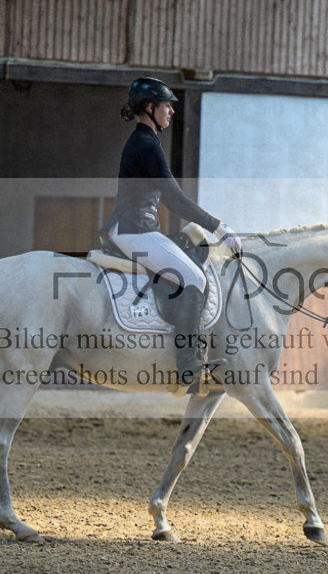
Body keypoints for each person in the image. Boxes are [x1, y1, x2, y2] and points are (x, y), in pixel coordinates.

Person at [103, 77, 242, 393]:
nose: (172, 112)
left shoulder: (146, 141)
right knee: (195, 278)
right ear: (151, 108)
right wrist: (218, 226)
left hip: (137, 227)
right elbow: (174, 198)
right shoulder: (146, 144)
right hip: (134, 230)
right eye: (167, 106)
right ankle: (190, 368)